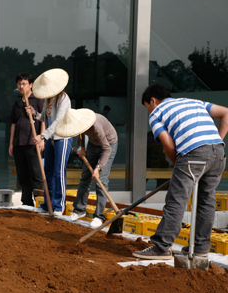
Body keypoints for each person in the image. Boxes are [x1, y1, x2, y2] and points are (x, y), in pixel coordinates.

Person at [133, 84, 228, 260]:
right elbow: (226, 112)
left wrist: (179, 165)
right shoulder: (193, 102)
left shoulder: (156, 113)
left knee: (176, 200)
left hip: (193, 154)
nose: (148, 111)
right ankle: (200, 248)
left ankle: (161, 247)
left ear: (152, 101)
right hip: (218, 153)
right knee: (206, 201)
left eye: (147, 107)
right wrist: (213, 144)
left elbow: (168, 146)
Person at [56, 109, 118, 229]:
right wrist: (82, 148)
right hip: (93, 144)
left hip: (109, 144)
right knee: (85, 177)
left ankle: (99, 216)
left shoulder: (96, 127)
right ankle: (79, 210)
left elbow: (107, 149)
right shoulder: (80, 123)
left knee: (101, 182)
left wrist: (98, 168)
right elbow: (81, 133)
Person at [25, 69, 72, 216]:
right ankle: (47, 204)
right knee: (48, 171)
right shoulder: (48, 100)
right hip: (51, 138)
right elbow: (46, 118)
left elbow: (58, 121)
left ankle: (59, 206)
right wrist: (35, 114)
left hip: (62, 138)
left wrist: (42, 136)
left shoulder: (64, 98)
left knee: (59, 172)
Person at [9, 72, 45, 206]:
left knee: (36, 174)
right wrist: (11, 143)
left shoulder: (38, 100)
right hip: (19, 142)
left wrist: (42, 138)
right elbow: (13, 124)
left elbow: (44, 119)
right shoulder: (17, 103)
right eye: (19, 84)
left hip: (33, 142)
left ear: (31, 85)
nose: (21, 86)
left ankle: (40, 203)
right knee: (23, 175)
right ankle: (27, 203)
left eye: (23, 83)